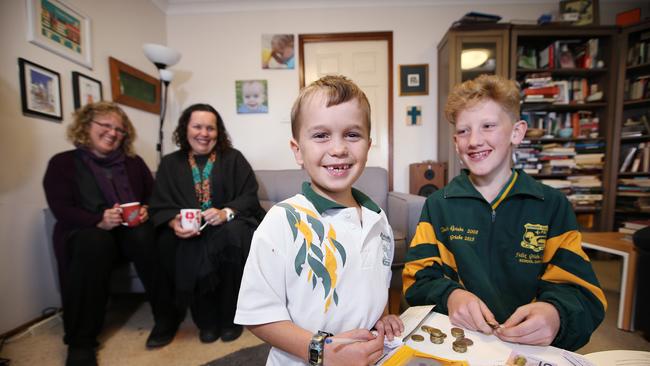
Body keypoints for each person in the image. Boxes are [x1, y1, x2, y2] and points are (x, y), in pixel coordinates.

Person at [402, 74, 607, 351]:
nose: (474, 140)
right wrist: (450, 296)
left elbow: (585, 294)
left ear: (517, 132)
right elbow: (417, 279)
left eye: (488, 126)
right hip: (461, 344)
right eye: (464, 131)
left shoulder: (552, 205)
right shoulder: (439, 204)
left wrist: (555, 314)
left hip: (531, 349)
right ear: (455, 142)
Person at [235, 75, 403, 366]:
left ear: (368, 144)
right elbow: (257, 315)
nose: (338, 148)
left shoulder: (378, 219)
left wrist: (383, 315)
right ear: (297, 150)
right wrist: (322, 352)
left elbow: (376, 282)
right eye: (321, 135)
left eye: (352, 134)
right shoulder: (282, 221)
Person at [43, 102, 179, 366]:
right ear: (85, 126)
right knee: (94, 241)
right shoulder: (62, 163)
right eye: (106, 125)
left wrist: (146, 210)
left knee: (142, 235)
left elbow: (154, 198)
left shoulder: (133, 163)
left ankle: (166, 317)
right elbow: (61, 209)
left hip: (130, 234)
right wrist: (98, 220)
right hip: (88, 235)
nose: (113, 133)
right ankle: (81, 341)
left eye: (119, 129)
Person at [149, 103, 264, 344]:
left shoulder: (233, 158)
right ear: (185, 129)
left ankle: (231, 318)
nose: (204, 133)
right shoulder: (170, 163)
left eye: (210, 128)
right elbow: (159, 204)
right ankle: (206, 320)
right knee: (176, 243)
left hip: (228, 224)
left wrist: (226, 212)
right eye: (197, 127)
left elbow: (249, 197)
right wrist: (173, 222)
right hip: (190, 229)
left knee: (232, 235)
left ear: (218, 132)